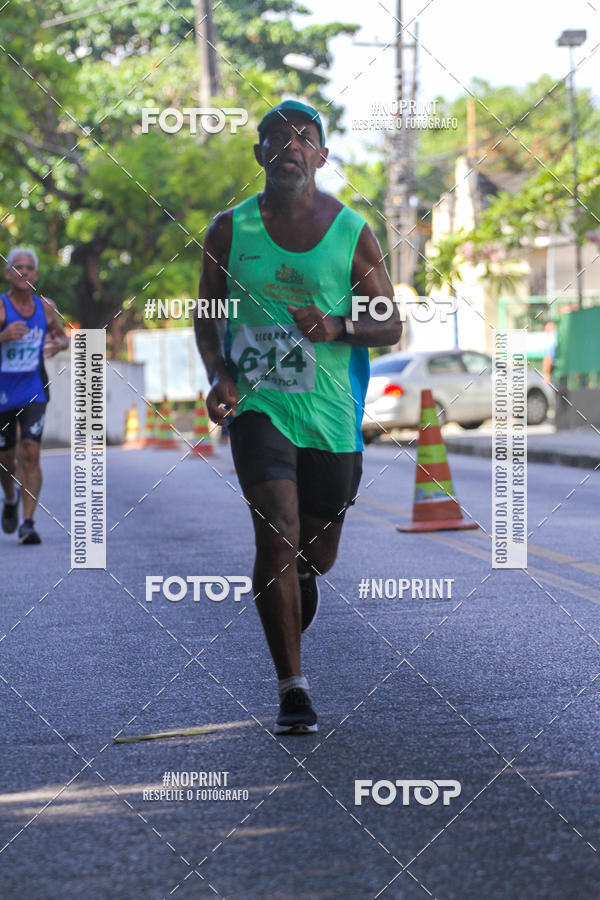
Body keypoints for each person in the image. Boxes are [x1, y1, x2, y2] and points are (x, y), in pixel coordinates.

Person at [195, 100, 401, 734]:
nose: (289, 146)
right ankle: (293, 689)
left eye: (303, 138)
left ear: (322, 155)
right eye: (274, 138)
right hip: (260, 406)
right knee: (275, 532)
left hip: (332, 416)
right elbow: (205, 313)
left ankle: (303, 574)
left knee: (316, 547)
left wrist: (339, 324)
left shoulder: (350, 231)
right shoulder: (229, 231)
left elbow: (390, 323)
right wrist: (219, 374)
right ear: (258, 154)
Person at [0, 248, 69, 544]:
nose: (24, 272)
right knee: (5, 459)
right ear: (8, 274)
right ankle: (11, 497)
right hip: (3, 390)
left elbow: (62, 335)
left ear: (36, 275)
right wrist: (3, 337)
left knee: (30, 452)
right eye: (17, 267)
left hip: (33, 388)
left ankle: (28, 522)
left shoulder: (46, 308)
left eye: (29, 268)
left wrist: (61, 344)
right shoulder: (1, 308)